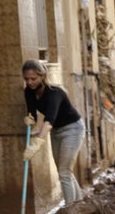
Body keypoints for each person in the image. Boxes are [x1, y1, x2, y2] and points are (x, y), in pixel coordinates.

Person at [21, 59, 85, 205]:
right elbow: (33, 113)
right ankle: (80, 204)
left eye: (33, 79)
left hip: (73, 129)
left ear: (42, 76)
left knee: (63, 172)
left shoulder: (54, 93)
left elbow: (49, 120)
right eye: (26, 79)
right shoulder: (29, 92)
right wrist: (30, 119)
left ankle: (70, 211)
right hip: (56, 131)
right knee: (65, 171)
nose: (30, 82)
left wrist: (37, 143)